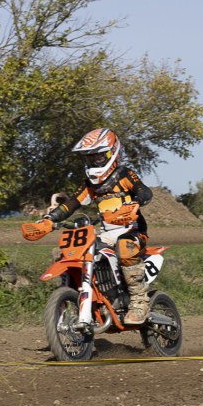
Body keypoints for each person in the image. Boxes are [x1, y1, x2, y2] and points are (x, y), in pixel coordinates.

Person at [45, 128, 155, 325]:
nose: (94, 161)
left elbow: (145, 191)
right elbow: (72, 203)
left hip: (133, 231)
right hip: (106, 234)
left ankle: (139, 302)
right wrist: (49, 219)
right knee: (72, 252)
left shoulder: (125, 174)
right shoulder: (90, 184)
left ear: (112, 153)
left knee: (124, 246)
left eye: (99, 156)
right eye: (90, 157)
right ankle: (95, 297)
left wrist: (135, 203)